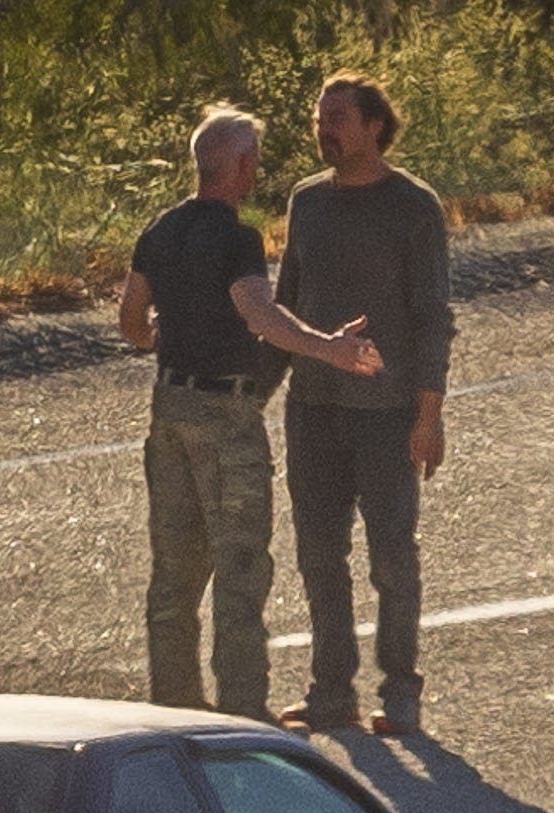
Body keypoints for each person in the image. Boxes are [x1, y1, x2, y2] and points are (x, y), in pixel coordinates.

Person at [118, 105, 383, 722]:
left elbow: (131, 321)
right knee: (240, 569)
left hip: (169, 408)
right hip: (224, 416)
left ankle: (173, 709)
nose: (256, 171)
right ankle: (241, 713)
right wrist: (332, 348)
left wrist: (165, 335)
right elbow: (260, 315)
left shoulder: (159, 230)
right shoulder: (236, 238)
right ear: (236, 165)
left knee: (175, 573)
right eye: (255, 161)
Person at [265, 71, 454, 737]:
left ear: (374, 125)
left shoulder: (413, 206)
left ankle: (400, 690)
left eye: (338, 117)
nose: (325, 129)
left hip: (388, 411)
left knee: (392, 557)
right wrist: (255, 392)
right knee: (319, 554)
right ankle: (331, 691)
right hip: (313, 408)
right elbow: (283, 307)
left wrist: (429, 415)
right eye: (320, 118)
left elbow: (434, 317)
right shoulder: (306, 202)